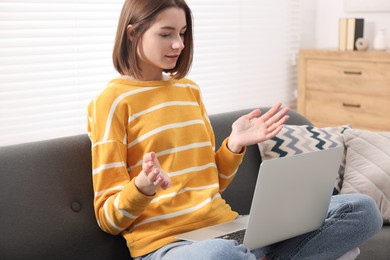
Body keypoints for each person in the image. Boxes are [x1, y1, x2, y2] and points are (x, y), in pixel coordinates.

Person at [87, 0, 383, 259]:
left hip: (227, 228)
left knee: (362, 210)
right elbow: (108, 218)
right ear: (132, 33)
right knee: (222, 254)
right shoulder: (112, 103)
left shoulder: (189, 91)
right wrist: (142, 187)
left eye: (182, 33)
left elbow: (211, 183)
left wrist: (235, 144)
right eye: (166, 34)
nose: (178, 44)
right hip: (170, 246)